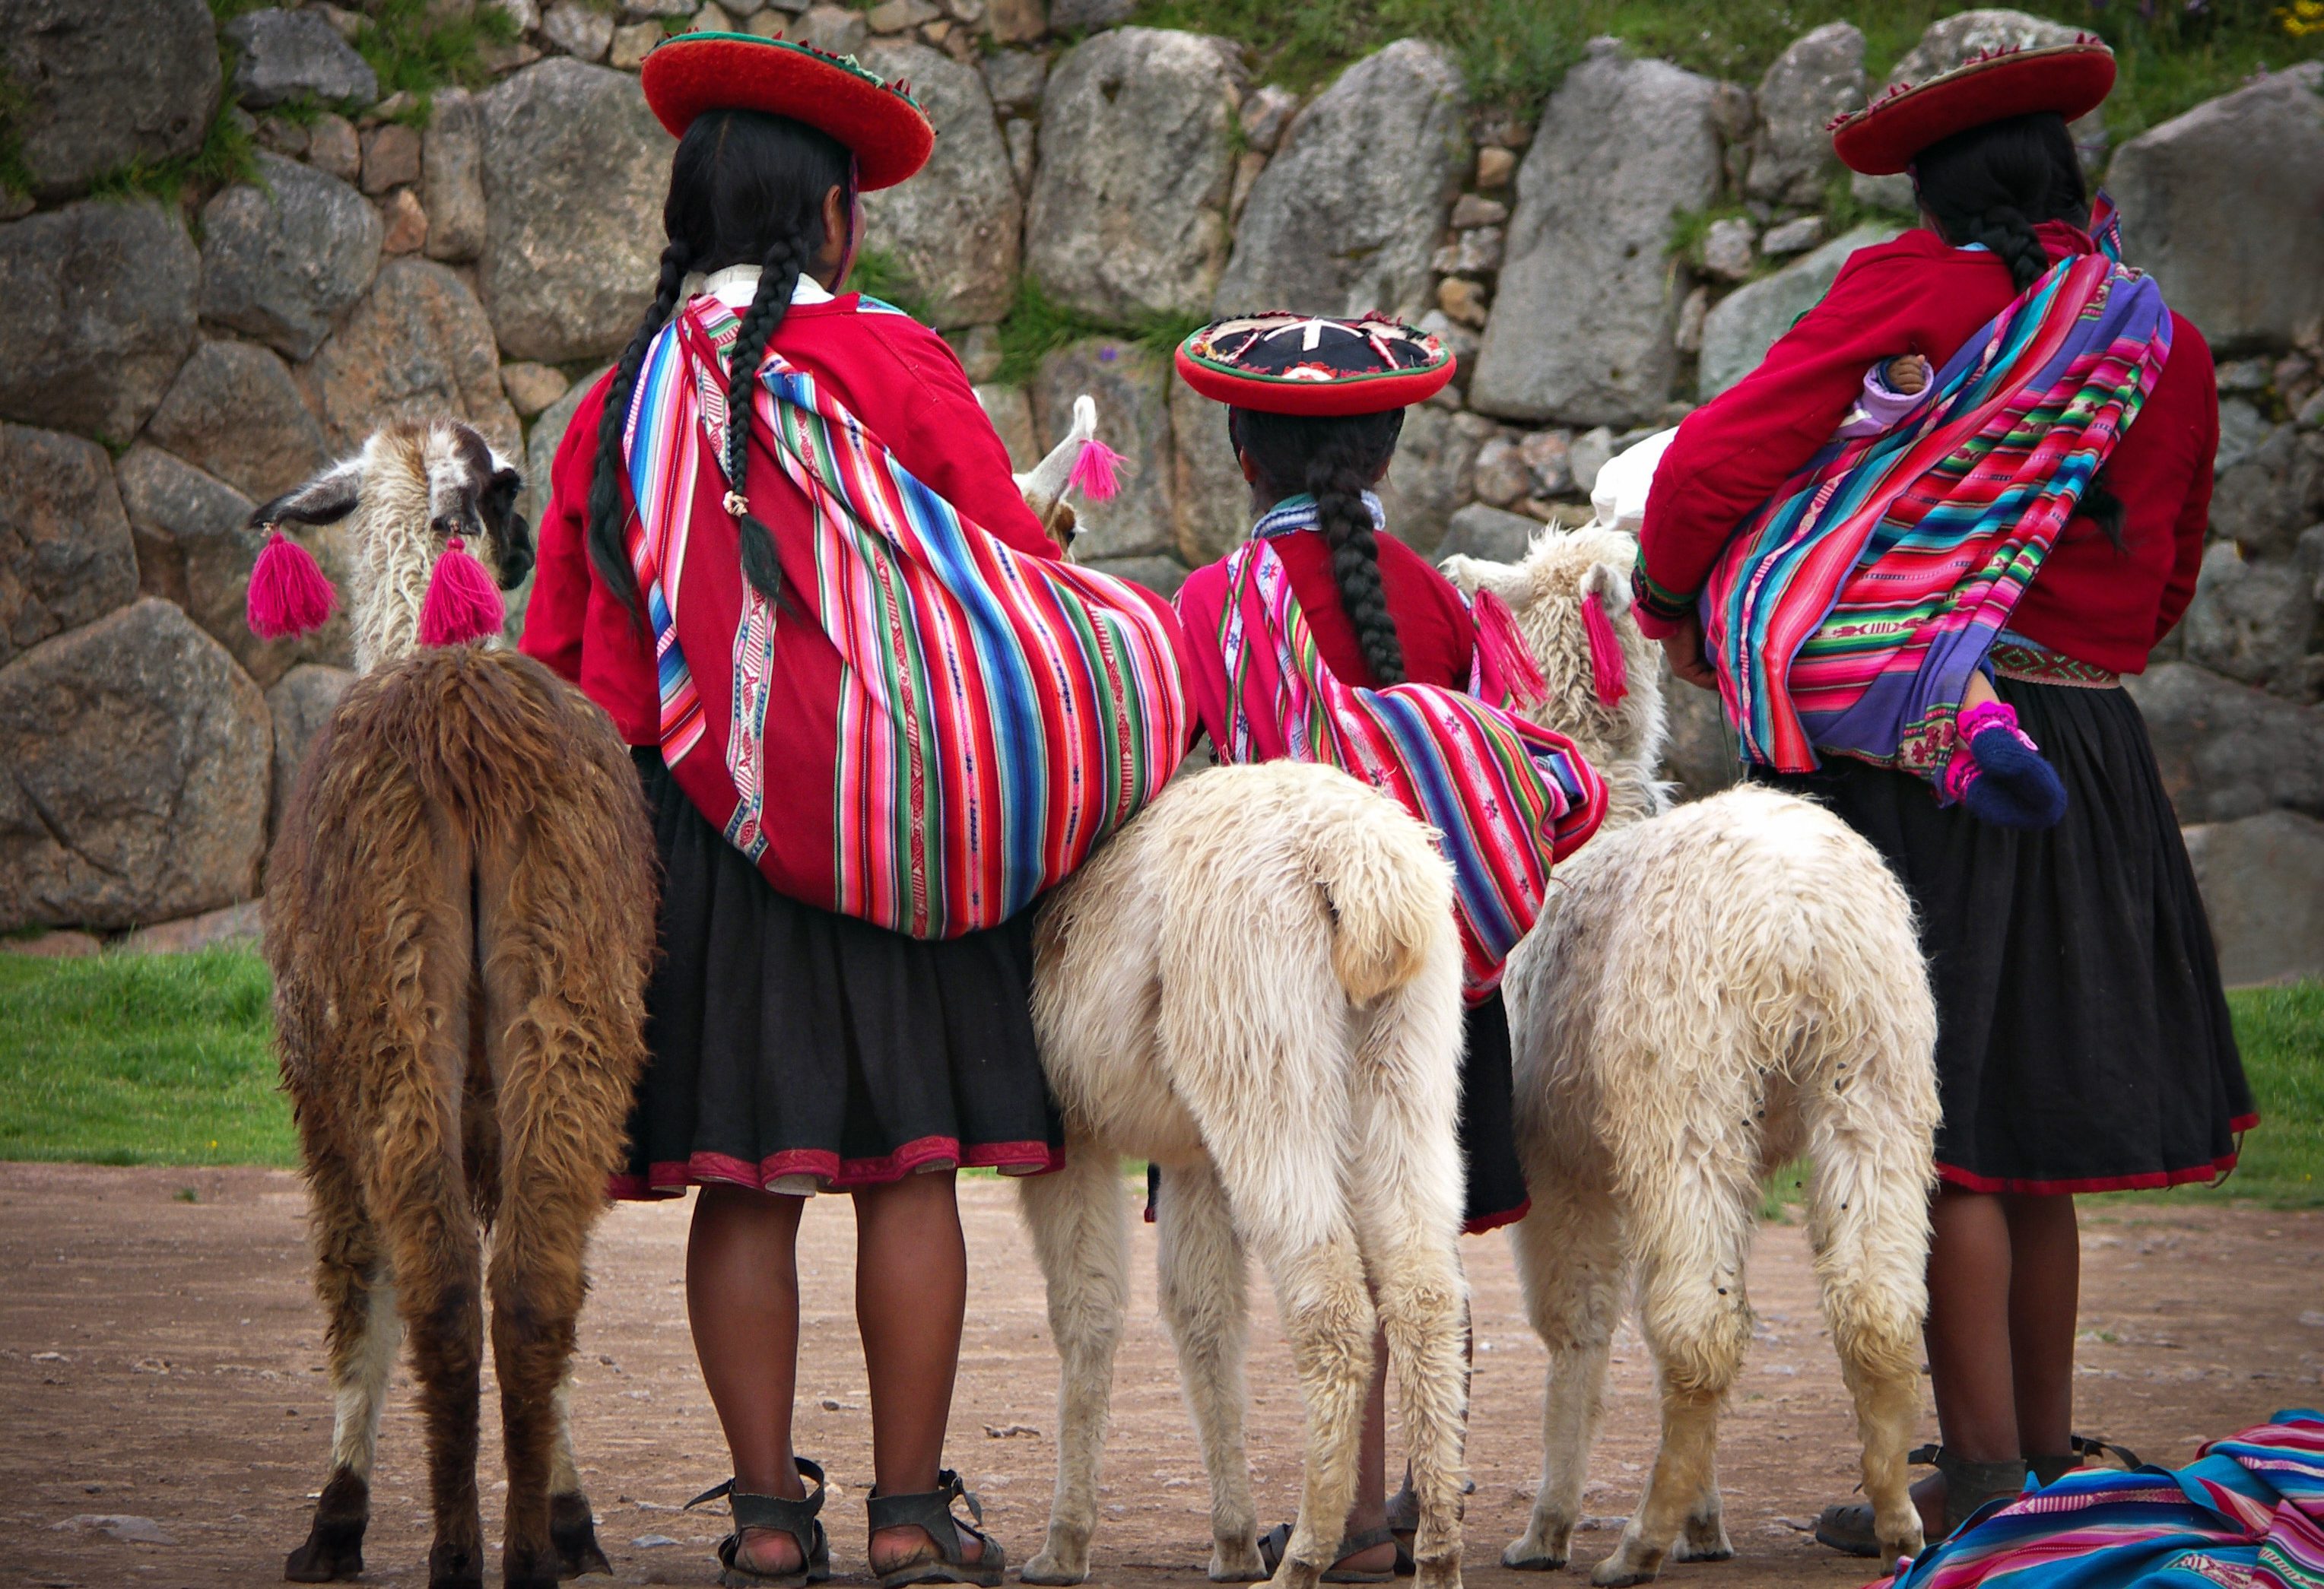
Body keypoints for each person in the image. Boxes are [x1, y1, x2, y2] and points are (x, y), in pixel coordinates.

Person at [519, 31, 1179, 1589]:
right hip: (901, 834)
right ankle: (906, 1510)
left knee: (748, 1184)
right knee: (906, 1169)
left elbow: (563, 659)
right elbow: (1011, 563)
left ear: (685, 218)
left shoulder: (618, 410)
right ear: (831, 220)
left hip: (698, 846)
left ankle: (764, 1519)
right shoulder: (890, 365)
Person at [1628, 38, 2253, 1552]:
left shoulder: (1910, 292)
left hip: (1920, 745)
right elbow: (2170, 567)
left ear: (1938, 194)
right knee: (2023, 1122)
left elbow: (1711, 468)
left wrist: (1675, 599)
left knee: (1933, 1112)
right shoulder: (2156, 341)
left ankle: (1975, 1477)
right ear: (2066, 175)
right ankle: (2040, 1452)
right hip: (2083, 745)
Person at [1171, 312, 1606, 1580]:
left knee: (1327, 1239)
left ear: (1241, 456)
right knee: (1415, 1232)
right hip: (1429, 956)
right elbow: (1499, 764)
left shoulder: (1212, 604)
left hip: (1284, 968)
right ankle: (1428, 1484)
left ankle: (1351, 1512)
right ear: (1391, 453)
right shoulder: (1442, 600)